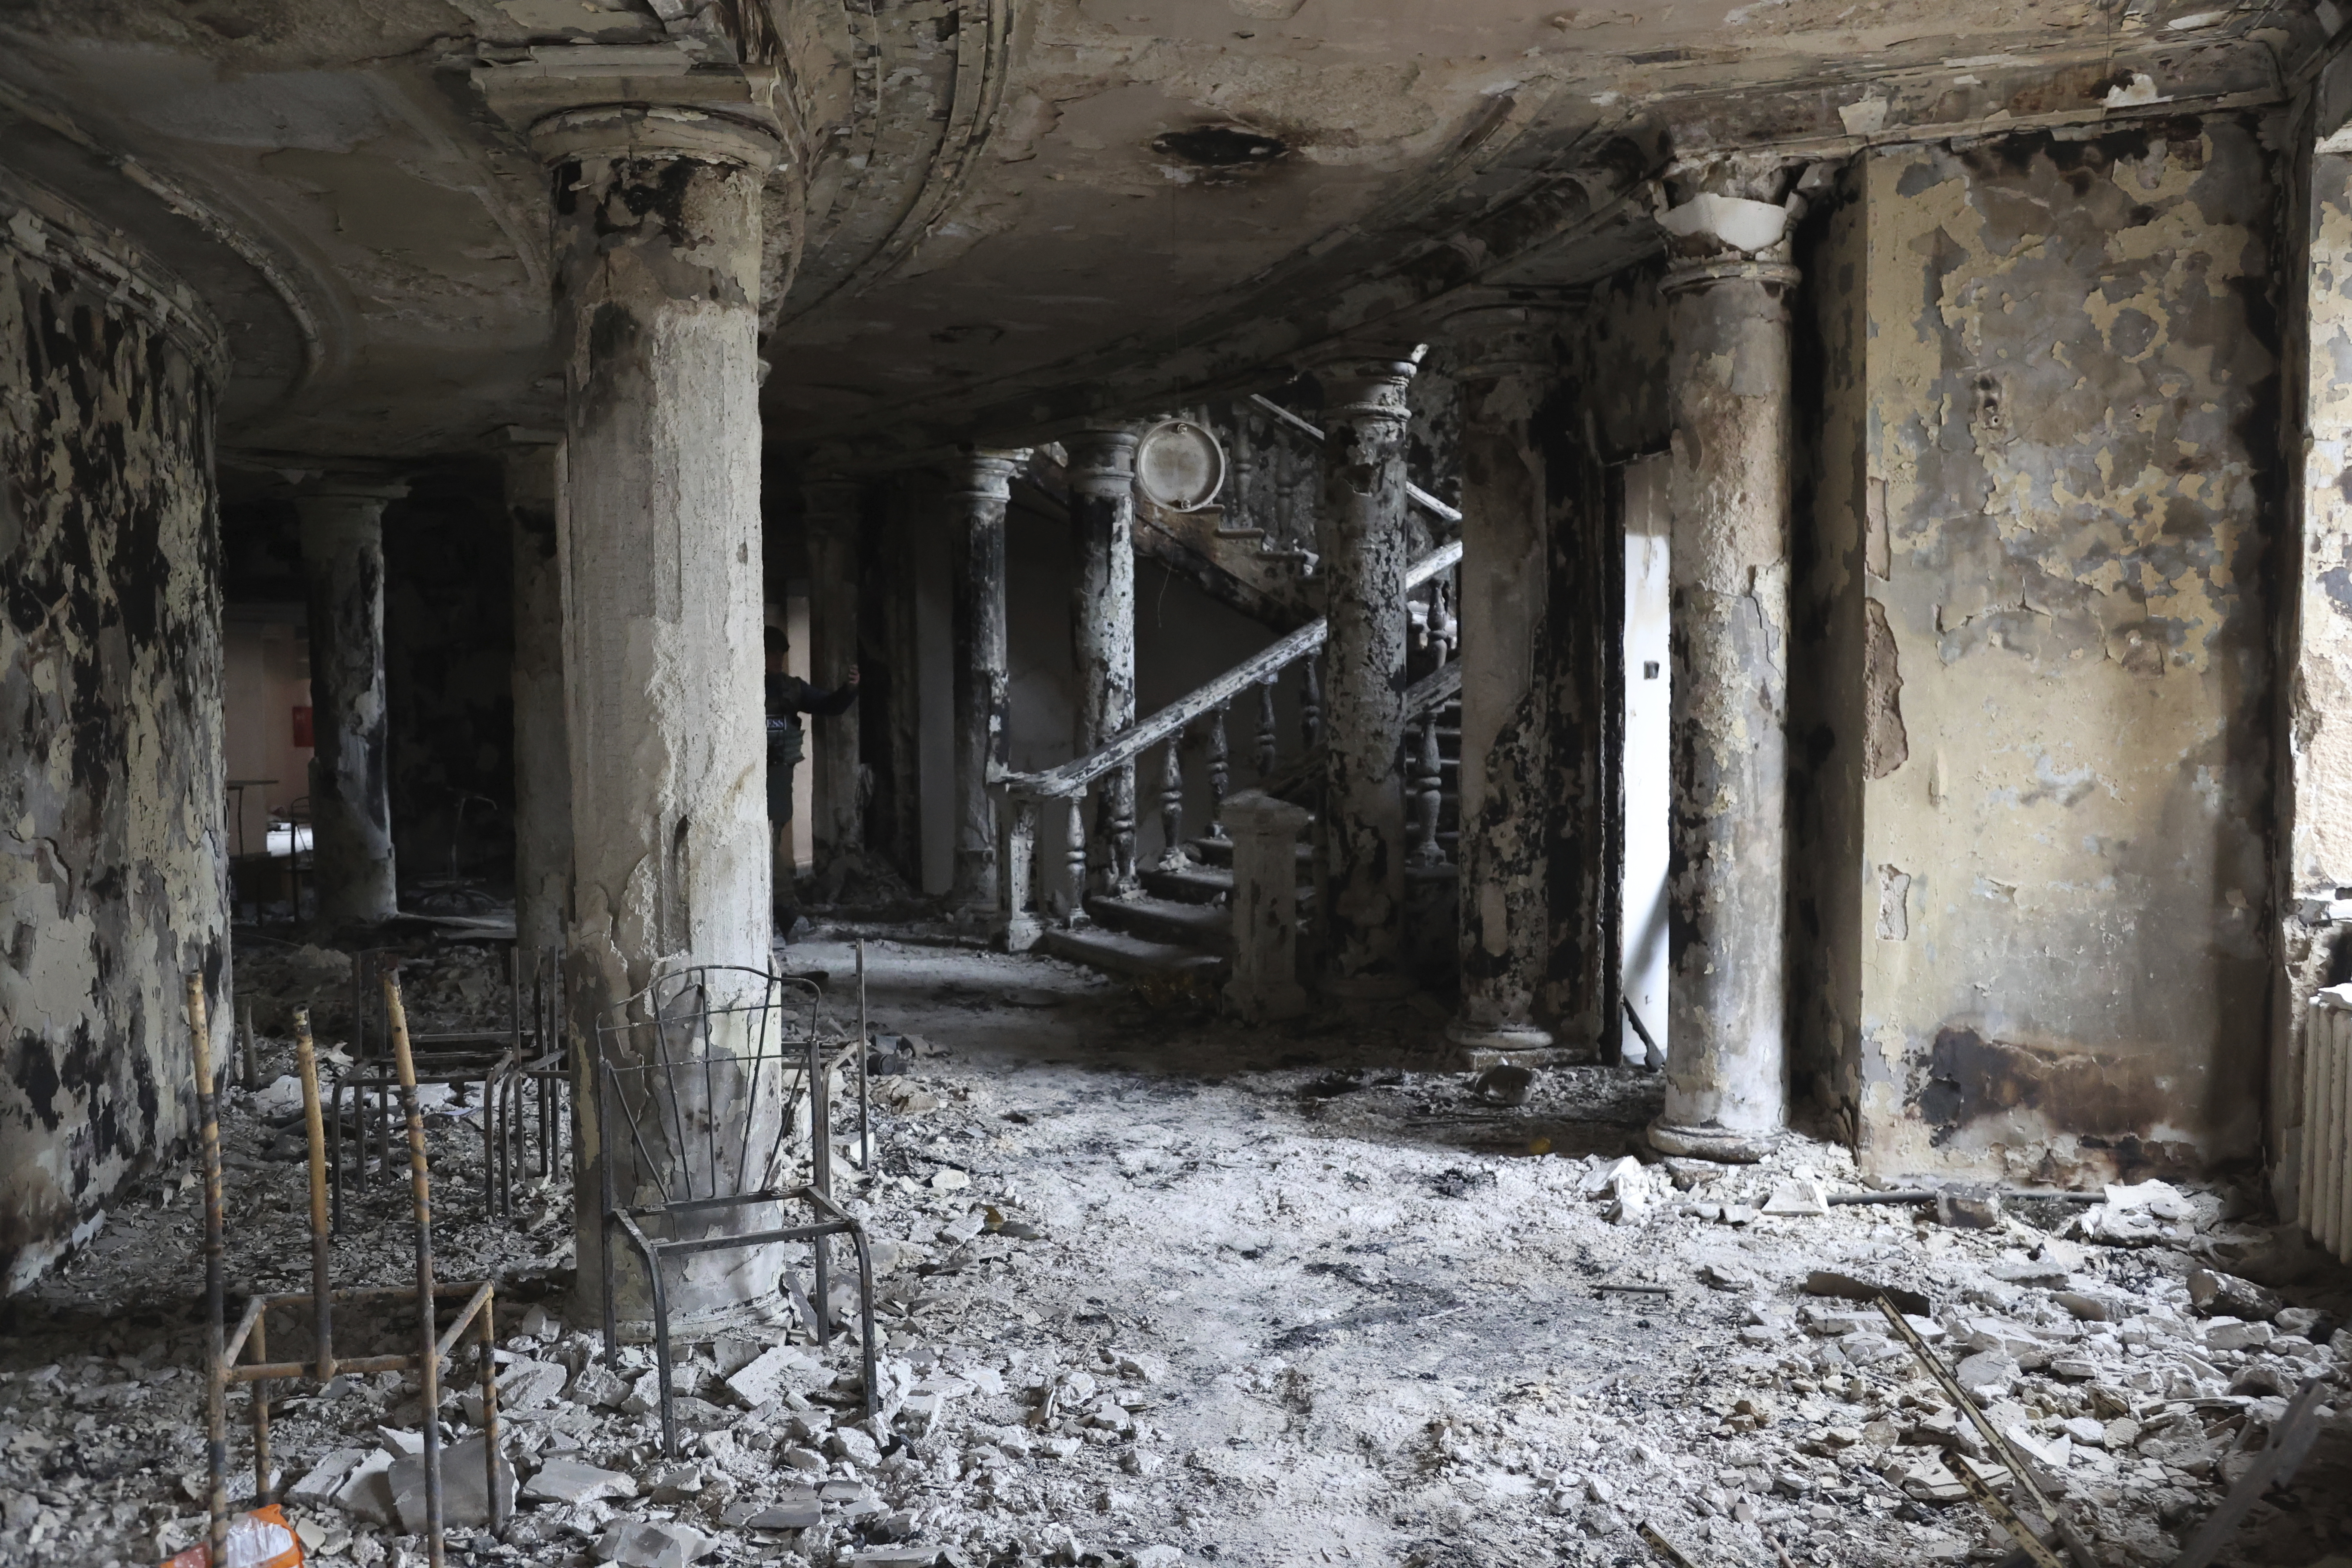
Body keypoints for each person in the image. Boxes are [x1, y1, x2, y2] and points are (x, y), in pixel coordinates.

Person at [766, 625, 858, 935]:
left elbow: (829, 705)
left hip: (778, 775)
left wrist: (849, 690)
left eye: (780, 654)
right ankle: (786, 913)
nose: (777, 659)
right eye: (771, 653)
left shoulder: (790, 689)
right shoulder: (741, 684)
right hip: (748, 775)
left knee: (771, 840)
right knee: (766, 844)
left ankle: (778, 916)